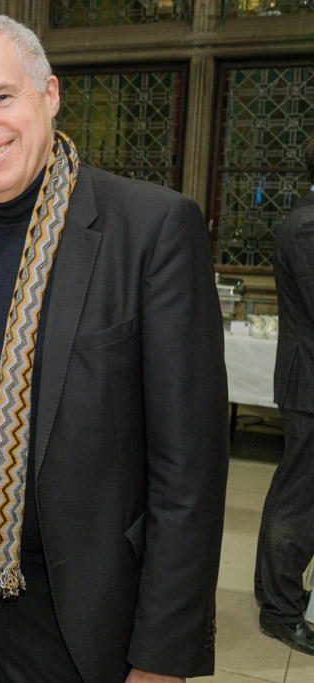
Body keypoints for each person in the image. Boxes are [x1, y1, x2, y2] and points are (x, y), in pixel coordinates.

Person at [0, 15, 228, 682]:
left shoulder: (151, 228)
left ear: (49, 94)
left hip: (75, 606)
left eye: (1, 97)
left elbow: (189, 469)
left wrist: (162, 654)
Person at [255, 138, 314, 655]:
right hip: (309, 381)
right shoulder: (307, 225)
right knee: (300, 498)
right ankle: (281, 610)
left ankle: (280, 596)